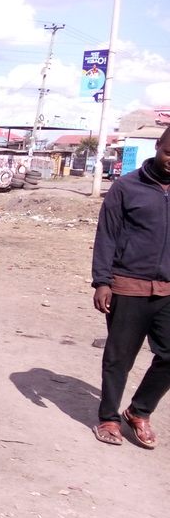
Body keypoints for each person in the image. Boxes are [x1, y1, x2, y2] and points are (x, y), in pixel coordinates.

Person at [91, 126, 170, 448]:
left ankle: (139, 411)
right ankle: (109, 417)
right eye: (169, 152)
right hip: (127, 286)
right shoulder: (126, 187)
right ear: (158, 145)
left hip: (168, 289)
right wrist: (102, 281)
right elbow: (107, 235)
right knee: (119, 357)